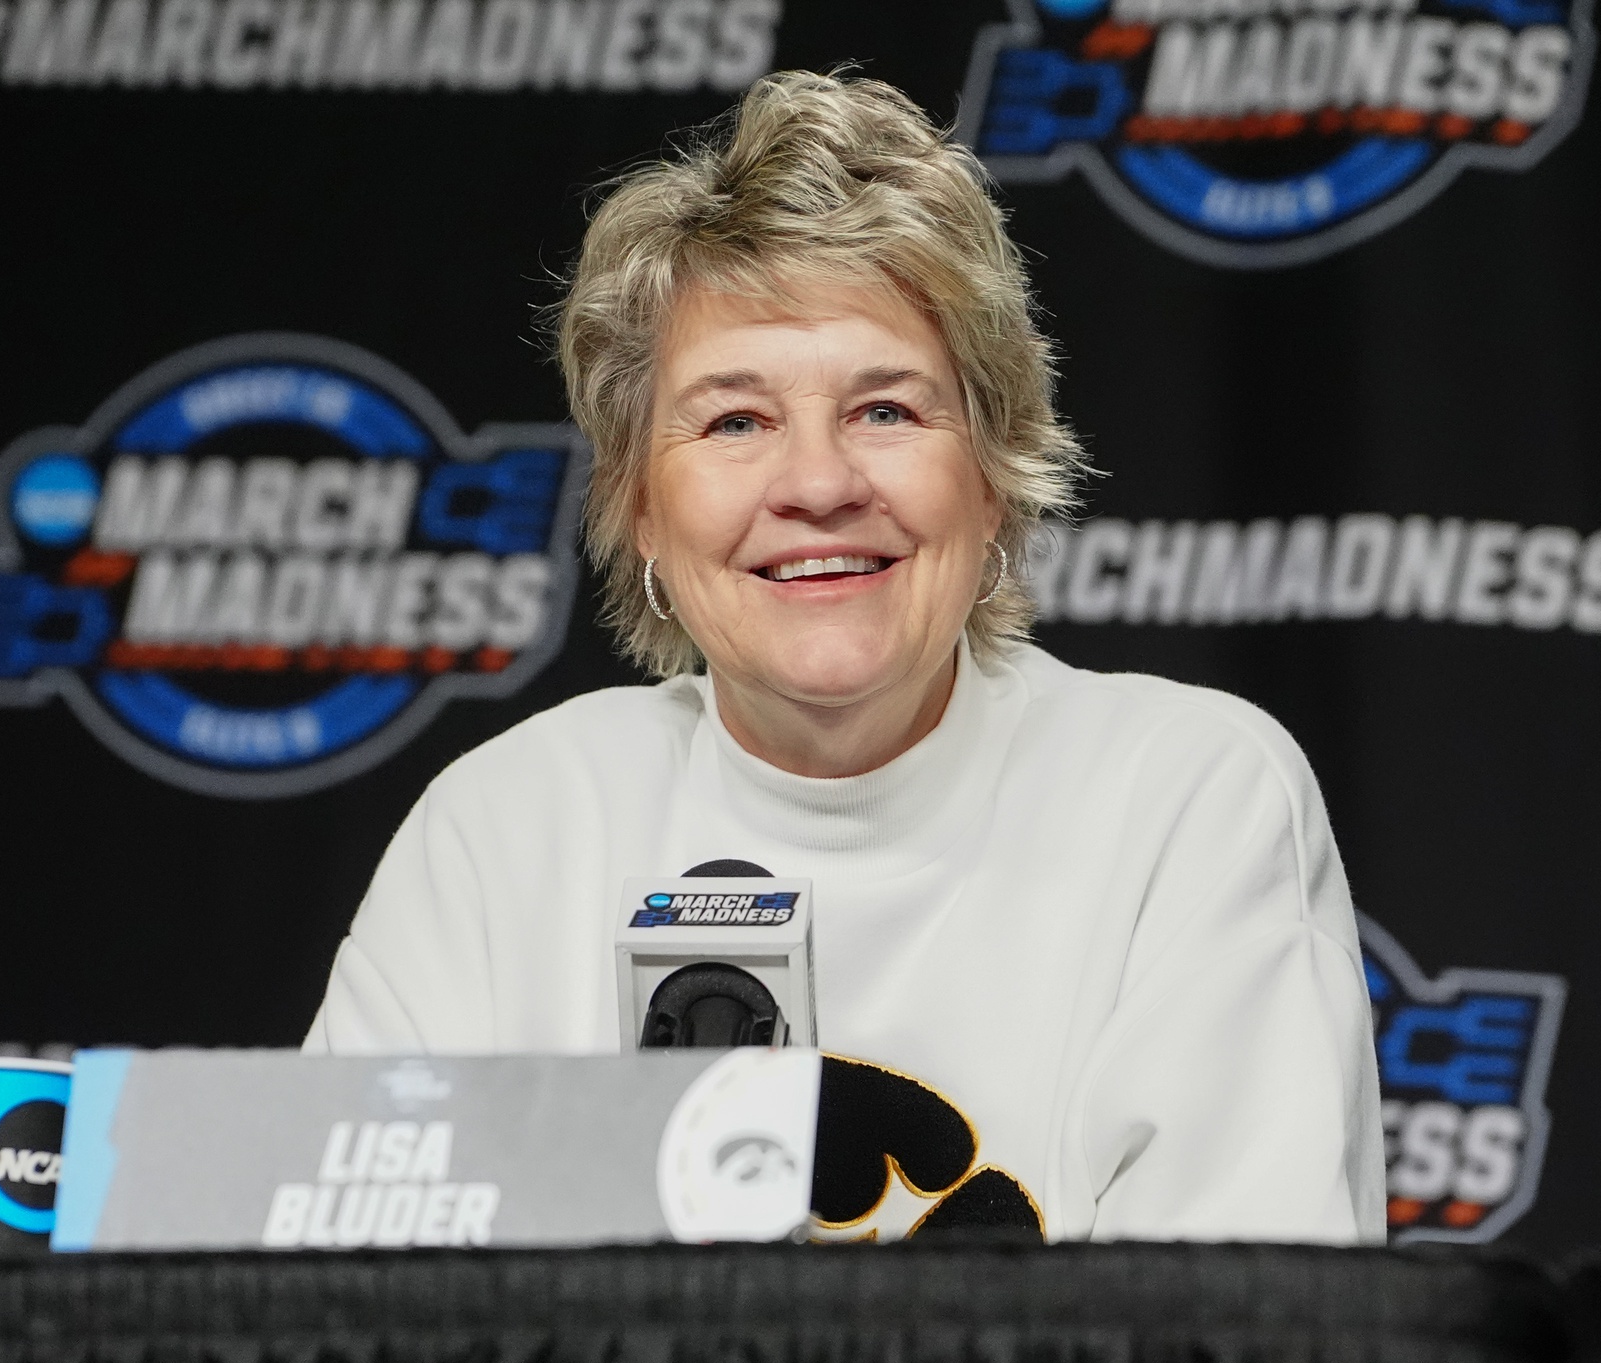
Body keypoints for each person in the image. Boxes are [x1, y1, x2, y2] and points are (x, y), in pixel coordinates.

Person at [305, 70, 1385, 1245]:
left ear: (992, 479)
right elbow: (332, 1327)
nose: (818, 484)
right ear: (637, 510)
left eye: (885, 410)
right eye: (733, 420)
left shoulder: (1183, 800)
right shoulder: (503, 833)